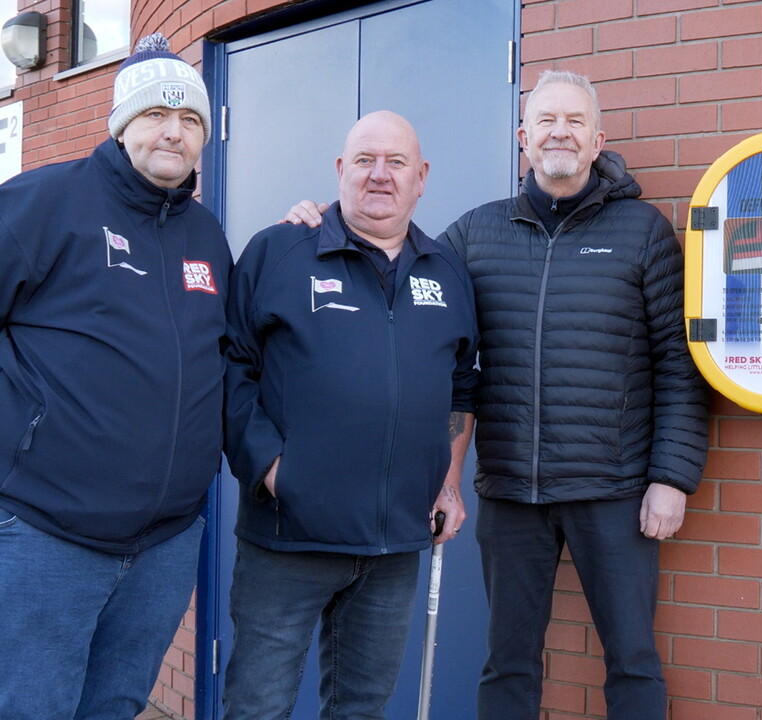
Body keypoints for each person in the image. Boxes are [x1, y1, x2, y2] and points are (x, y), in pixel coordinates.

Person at [285, 71, 709, 720]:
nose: (559, 132)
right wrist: (319, 225)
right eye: (545, 121)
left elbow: (678, 364)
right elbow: (392, 267)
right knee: (507, 663)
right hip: (512, 495)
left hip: (615, 491)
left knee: (633, 660)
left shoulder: (643, 232)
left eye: (573, 121)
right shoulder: (476, 236)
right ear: (524, 138)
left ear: (598, 140)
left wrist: (672, 477)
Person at [0, 33, 231, 720]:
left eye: (190, 119)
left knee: (115, 706)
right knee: (32, 707)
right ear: (121, 123)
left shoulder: (206, 236)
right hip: (49, 536)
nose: (173, 131)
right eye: (156, 114)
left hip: (164, 544)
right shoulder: (45, 202)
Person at [221, 110, 480, 720]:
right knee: (258, 705)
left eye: (396, 162)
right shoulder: (280, 251)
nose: (380, 175)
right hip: (288, 539)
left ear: (422, 177)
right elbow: (231, 368)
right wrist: (273, 470)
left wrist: (447, 484)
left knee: (361, 708)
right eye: (365, 160)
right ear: (341, 171)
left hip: (395, 545)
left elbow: (461, 387)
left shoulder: (446, 273)